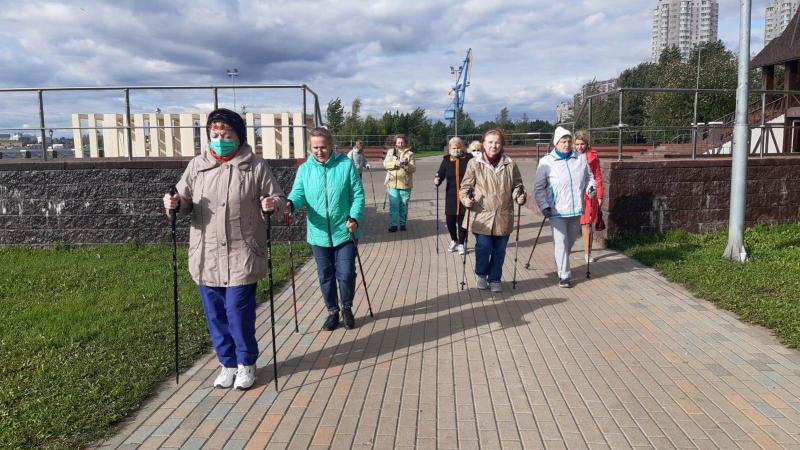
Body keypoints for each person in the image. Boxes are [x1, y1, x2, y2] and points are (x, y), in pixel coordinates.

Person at [163, 108, 286, 390]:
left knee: (237, 311)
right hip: (206, 255)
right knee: (215, 314)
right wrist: (174, 203)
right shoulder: (197, 165)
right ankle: (227, 364)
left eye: (225, 133)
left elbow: (277, 198)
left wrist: (272, 205)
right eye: (214, 133)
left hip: (243, 252)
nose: (219, 138)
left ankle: (246, 364)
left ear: (238, 136)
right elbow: (183, 200)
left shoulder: (254, 165)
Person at [287, 128, 365, 331]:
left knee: (346, 273)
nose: (319, 151)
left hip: (345, 231)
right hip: (318, 233)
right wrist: (290, 205)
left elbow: (357, 194)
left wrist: (354, 217)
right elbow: (298, 194)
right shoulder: (305, 169)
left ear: (331, 145)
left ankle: (346, 308)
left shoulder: (345, 165)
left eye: (323, 147)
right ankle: (332, 311)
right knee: (325, 275)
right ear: (310, 148)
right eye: (315, 148)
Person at [459, 129, 526, 293]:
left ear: (502, 144)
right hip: (481, 214)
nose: (493, 145)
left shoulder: (510, 164)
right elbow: (465, 187)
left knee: (500, 249)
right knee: (484, 247)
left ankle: (495, 278)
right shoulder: (474, 163)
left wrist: (519, 196)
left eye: (497, 142)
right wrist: (465, 199)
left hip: (503, 214)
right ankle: (481, 274)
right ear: (483, 144)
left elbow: (517, 185)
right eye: (490, 142)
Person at [533, 126, 596, 289]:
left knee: (570, 241)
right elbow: (539, 187)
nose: (567, 144)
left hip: (576, 208)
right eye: (563, 141)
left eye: (569, 141)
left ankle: (560, 264)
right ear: (556, 143)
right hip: (556, 209)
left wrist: (591, 187)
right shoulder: (547, 161)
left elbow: (590, 177)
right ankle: (565, 275)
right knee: (560, 242)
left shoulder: (580, 159)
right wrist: (543, 205)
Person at [435, 136, 473, 255]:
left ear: (462, 148)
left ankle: (461, 243)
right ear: (450, 148)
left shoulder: (468, 159)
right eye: (453, 148)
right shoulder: (446, 160)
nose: (456, 150)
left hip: (465, 196)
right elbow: (440, 173)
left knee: (463, 222)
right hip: (451, 196)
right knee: (450, 222)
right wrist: (437, 179)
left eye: (458, 147)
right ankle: (454, 240)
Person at [574, 130, 604, 263]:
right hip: (573, 194)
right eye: (577, 144)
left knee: (587, 224)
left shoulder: (592, 156)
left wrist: (600, 194)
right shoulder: (570, 156)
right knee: (571, 225)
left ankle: (587, 253)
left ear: (587, 144)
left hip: (588, 194)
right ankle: (566, 248)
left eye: (582, 144)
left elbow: (597, 176)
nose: (579, 147)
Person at [382, 134, 416, 232]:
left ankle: (402, 224)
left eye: (402, 142)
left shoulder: (410, 154)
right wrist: (394, 163)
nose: (400, 144)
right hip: (392, 183)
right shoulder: (390, 152)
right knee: (393, 205)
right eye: (398, 142)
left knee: (403, 205)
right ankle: (393, 225)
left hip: (405, 184)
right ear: (395, 143)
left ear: (405, 143)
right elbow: (385, 164)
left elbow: (413, 169)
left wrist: (406, 165)